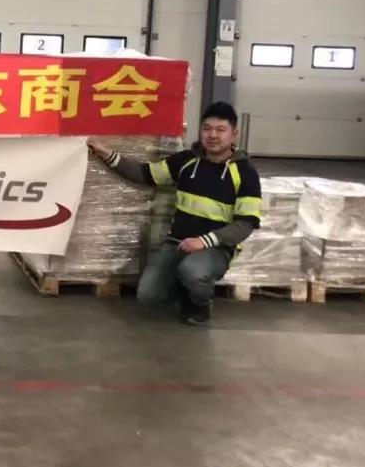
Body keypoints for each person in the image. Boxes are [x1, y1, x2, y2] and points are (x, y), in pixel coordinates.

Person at [87, 101, 262, 326]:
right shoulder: (187, 161)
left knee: (194, 271)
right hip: (177, 243)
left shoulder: (245, 173)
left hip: (215, 248)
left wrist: (204, 241)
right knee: (148, 295)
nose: (212, 135)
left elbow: (246, 223)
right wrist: (107, 154)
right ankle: (184, 287)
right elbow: (145, 174)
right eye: (207, 128)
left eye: (221, 130)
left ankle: (200, 304)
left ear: (234, 134)